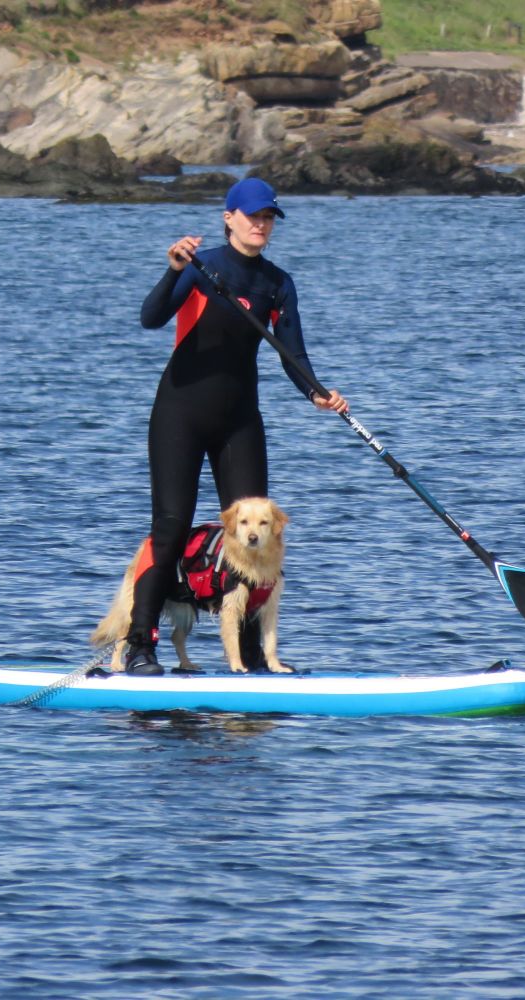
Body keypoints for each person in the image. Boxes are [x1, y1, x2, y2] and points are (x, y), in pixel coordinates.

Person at [123, 176, 347, 675]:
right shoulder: (203, 268)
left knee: (257, 532)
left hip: (240, 420)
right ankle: (141, 643)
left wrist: (316, 392)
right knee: (171, 527)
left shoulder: (277, 283)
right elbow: (150, 318)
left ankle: (247, 658)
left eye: (269, 217)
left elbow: (294, 354)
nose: (262, 225)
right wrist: (172, 270)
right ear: (229, 219)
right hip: (180, 412)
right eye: (253, 216)